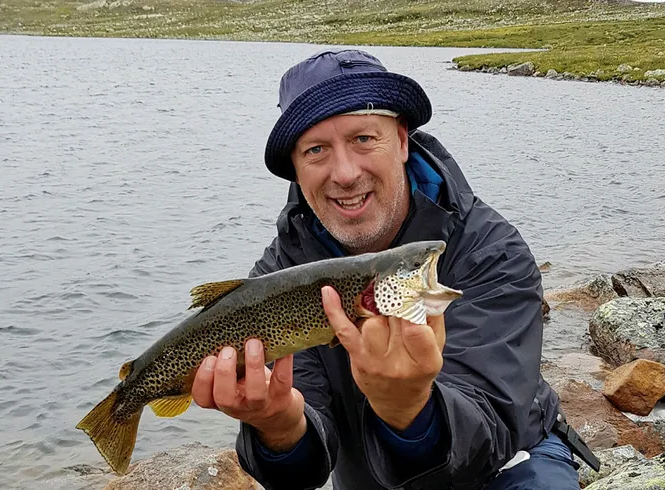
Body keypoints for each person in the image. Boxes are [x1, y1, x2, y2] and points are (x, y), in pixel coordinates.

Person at [190, 48, 595, 489]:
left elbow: (492, 425)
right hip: (369, 477)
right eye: (316, 149)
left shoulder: (488, 248)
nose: (344, 173)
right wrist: (278, 428)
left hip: (513, 462)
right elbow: (305, 465)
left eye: (364, 139)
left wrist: (410, 408)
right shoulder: (281, 272)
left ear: (402, 141)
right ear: (297, 168)